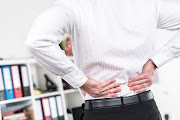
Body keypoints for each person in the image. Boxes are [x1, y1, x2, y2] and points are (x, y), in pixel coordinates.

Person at [25, 0, 180, 120]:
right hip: (144, 108)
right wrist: (154, 62)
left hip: (100, 110)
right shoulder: (147, 3)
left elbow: (36, 41)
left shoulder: (73, 5)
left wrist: (81, 81)